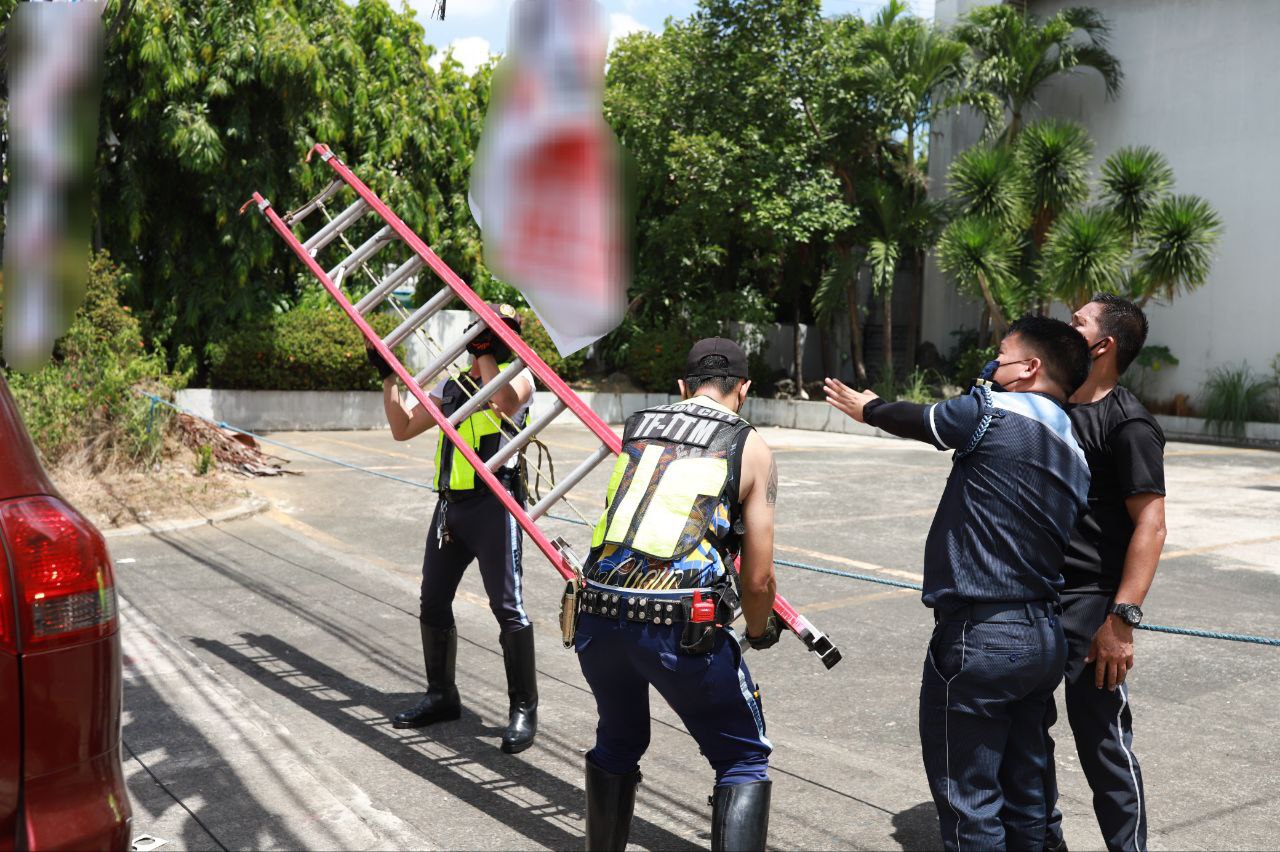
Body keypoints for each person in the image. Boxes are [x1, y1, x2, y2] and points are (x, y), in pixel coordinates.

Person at [824, 316, 1092, 852]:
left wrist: (870, 408)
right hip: (1043, 638)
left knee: (972, 804)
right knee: (1028, 792)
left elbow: (925, 419)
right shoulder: (1075, 451)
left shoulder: (994, 411)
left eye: (1002, 355)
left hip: (981, 636)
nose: (993, 364)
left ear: (1030, 368)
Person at [575, 337, 781, 852]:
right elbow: (758, 580)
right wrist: (759, 630)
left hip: (596, 612)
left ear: (683, 387)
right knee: (742, 759)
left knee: (618, 741)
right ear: (744, 389)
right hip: (679, 626)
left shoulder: (638, 425)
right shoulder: (749, 444)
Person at [368, 303, 541, 754]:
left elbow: (505, 403)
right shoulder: (452, 386)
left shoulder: (520, 376)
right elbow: (403, 427)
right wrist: (388, 377)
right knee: (433, 600)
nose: (494, 340)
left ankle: (524, 707)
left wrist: (486, 353)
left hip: (495, 507)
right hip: (451, 510)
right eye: (486, 332)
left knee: (507, 607)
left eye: (500, 333)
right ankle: (442, 694)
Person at [1044, 295, 1167, 852]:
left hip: (1092, 604)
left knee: (1103, 742)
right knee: (1026, 731)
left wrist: (1121, 620)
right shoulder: (1047, 405)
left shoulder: (1129, 423)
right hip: (1033, 595)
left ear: (1103, 345)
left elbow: (1152, 526)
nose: (1065, 327)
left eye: (1078, 322)